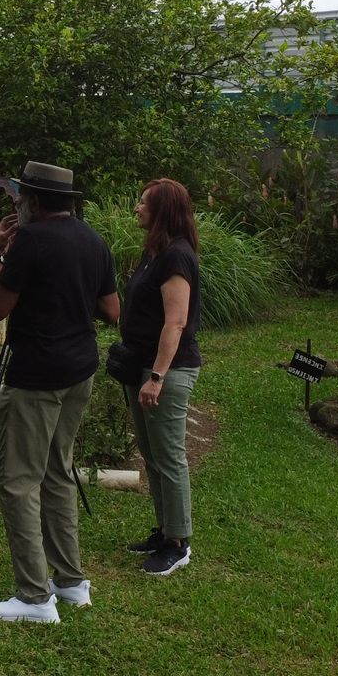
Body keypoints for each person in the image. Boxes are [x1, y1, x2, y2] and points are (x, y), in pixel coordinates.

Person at [0, 161, 119, 623]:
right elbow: (111, 309)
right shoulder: (92, 239)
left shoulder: (31, 241)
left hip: (37, 374)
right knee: (59, 472)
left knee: (18, 480)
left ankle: (34, 598)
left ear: (33, 201)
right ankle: (71, 582)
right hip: (80, 369)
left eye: (20, 197)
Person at [112, 179, 203, 576]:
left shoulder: (176, 257)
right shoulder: (155, 252)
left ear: (161, 210)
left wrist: (158, 375)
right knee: (151, 454)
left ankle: (178, 543)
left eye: (143, 203)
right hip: (142, 366)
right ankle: (164, 529)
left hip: (167, 369)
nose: (137, 207)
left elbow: (176, 321)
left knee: (168, 456)